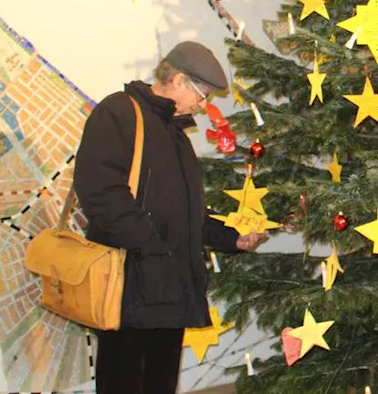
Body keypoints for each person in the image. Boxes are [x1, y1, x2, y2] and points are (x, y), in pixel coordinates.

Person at [73, 41, 268, 394]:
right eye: (202, 94)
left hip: (169, 286)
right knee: (124, 381)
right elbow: (100, 193)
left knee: (161, 383)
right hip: (130, 284)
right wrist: (152, 248)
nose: (203, 104)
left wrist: (231, 238)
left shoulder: (175, 133)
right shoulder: (119, 113)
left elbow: (187, 212)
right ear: (177, 79)